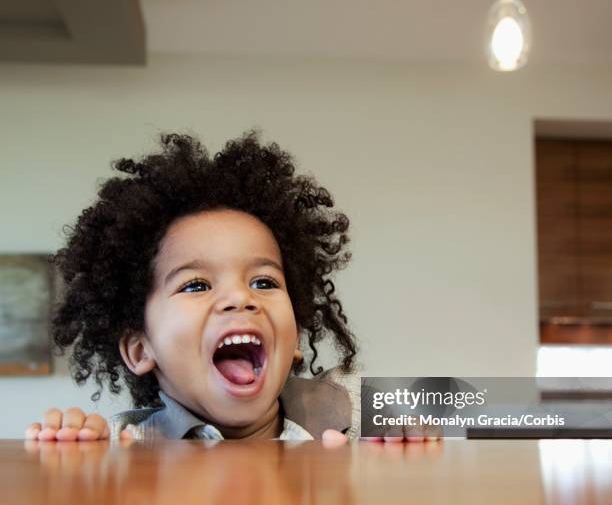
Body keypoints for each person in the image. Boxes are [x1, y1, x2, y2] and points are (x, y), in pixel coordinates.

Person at [25, 132, 437, 444]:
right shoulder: (123, 446)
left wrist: (413, 436)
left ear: (296, 336)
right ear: (140, 349)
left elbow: (498, 412)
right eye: (197, 284)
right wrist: (78, 463)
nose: (242, 297)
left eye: (263, 281)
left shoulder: (349, 405)